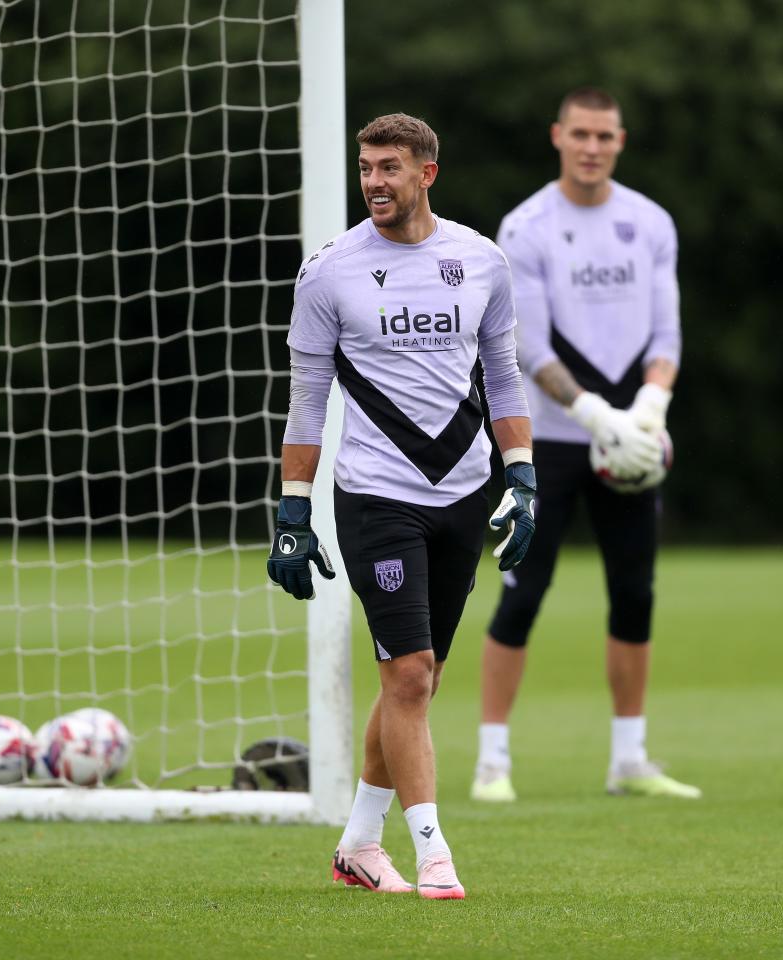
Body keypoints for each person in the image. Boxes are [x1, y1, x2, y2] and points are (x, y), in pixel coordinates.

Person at [267, 113, 536, 899]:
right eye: (365, 167)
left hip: (465, 493)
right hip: (376, 497)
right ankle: (434, 853)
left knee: (413, 683)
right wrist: (292, 513)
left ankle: (357, 843)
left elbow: (505, 379)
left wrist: (520, 478)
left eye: (389, 167)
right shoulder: (330, 273)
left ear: (428, 173)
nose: (374, 182)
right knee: (409, 676)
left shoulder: (482, 262)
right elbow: (307, 404)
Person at [470, 87, 701, 803]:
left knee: (635, 593)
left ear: (621, 141)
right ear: (557, 136)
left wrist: (649, 410)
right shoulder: (528, 226)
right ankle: (491, 762)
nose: (592, 147)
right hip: (549, 439)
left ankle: (629, 759)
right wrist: (594, 413)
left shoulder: (650, 222)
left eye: (605, 136)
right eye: (581, 135)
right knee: (523, 591)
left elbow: (665, 336)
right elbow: (529, 345)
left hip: (631, 438)